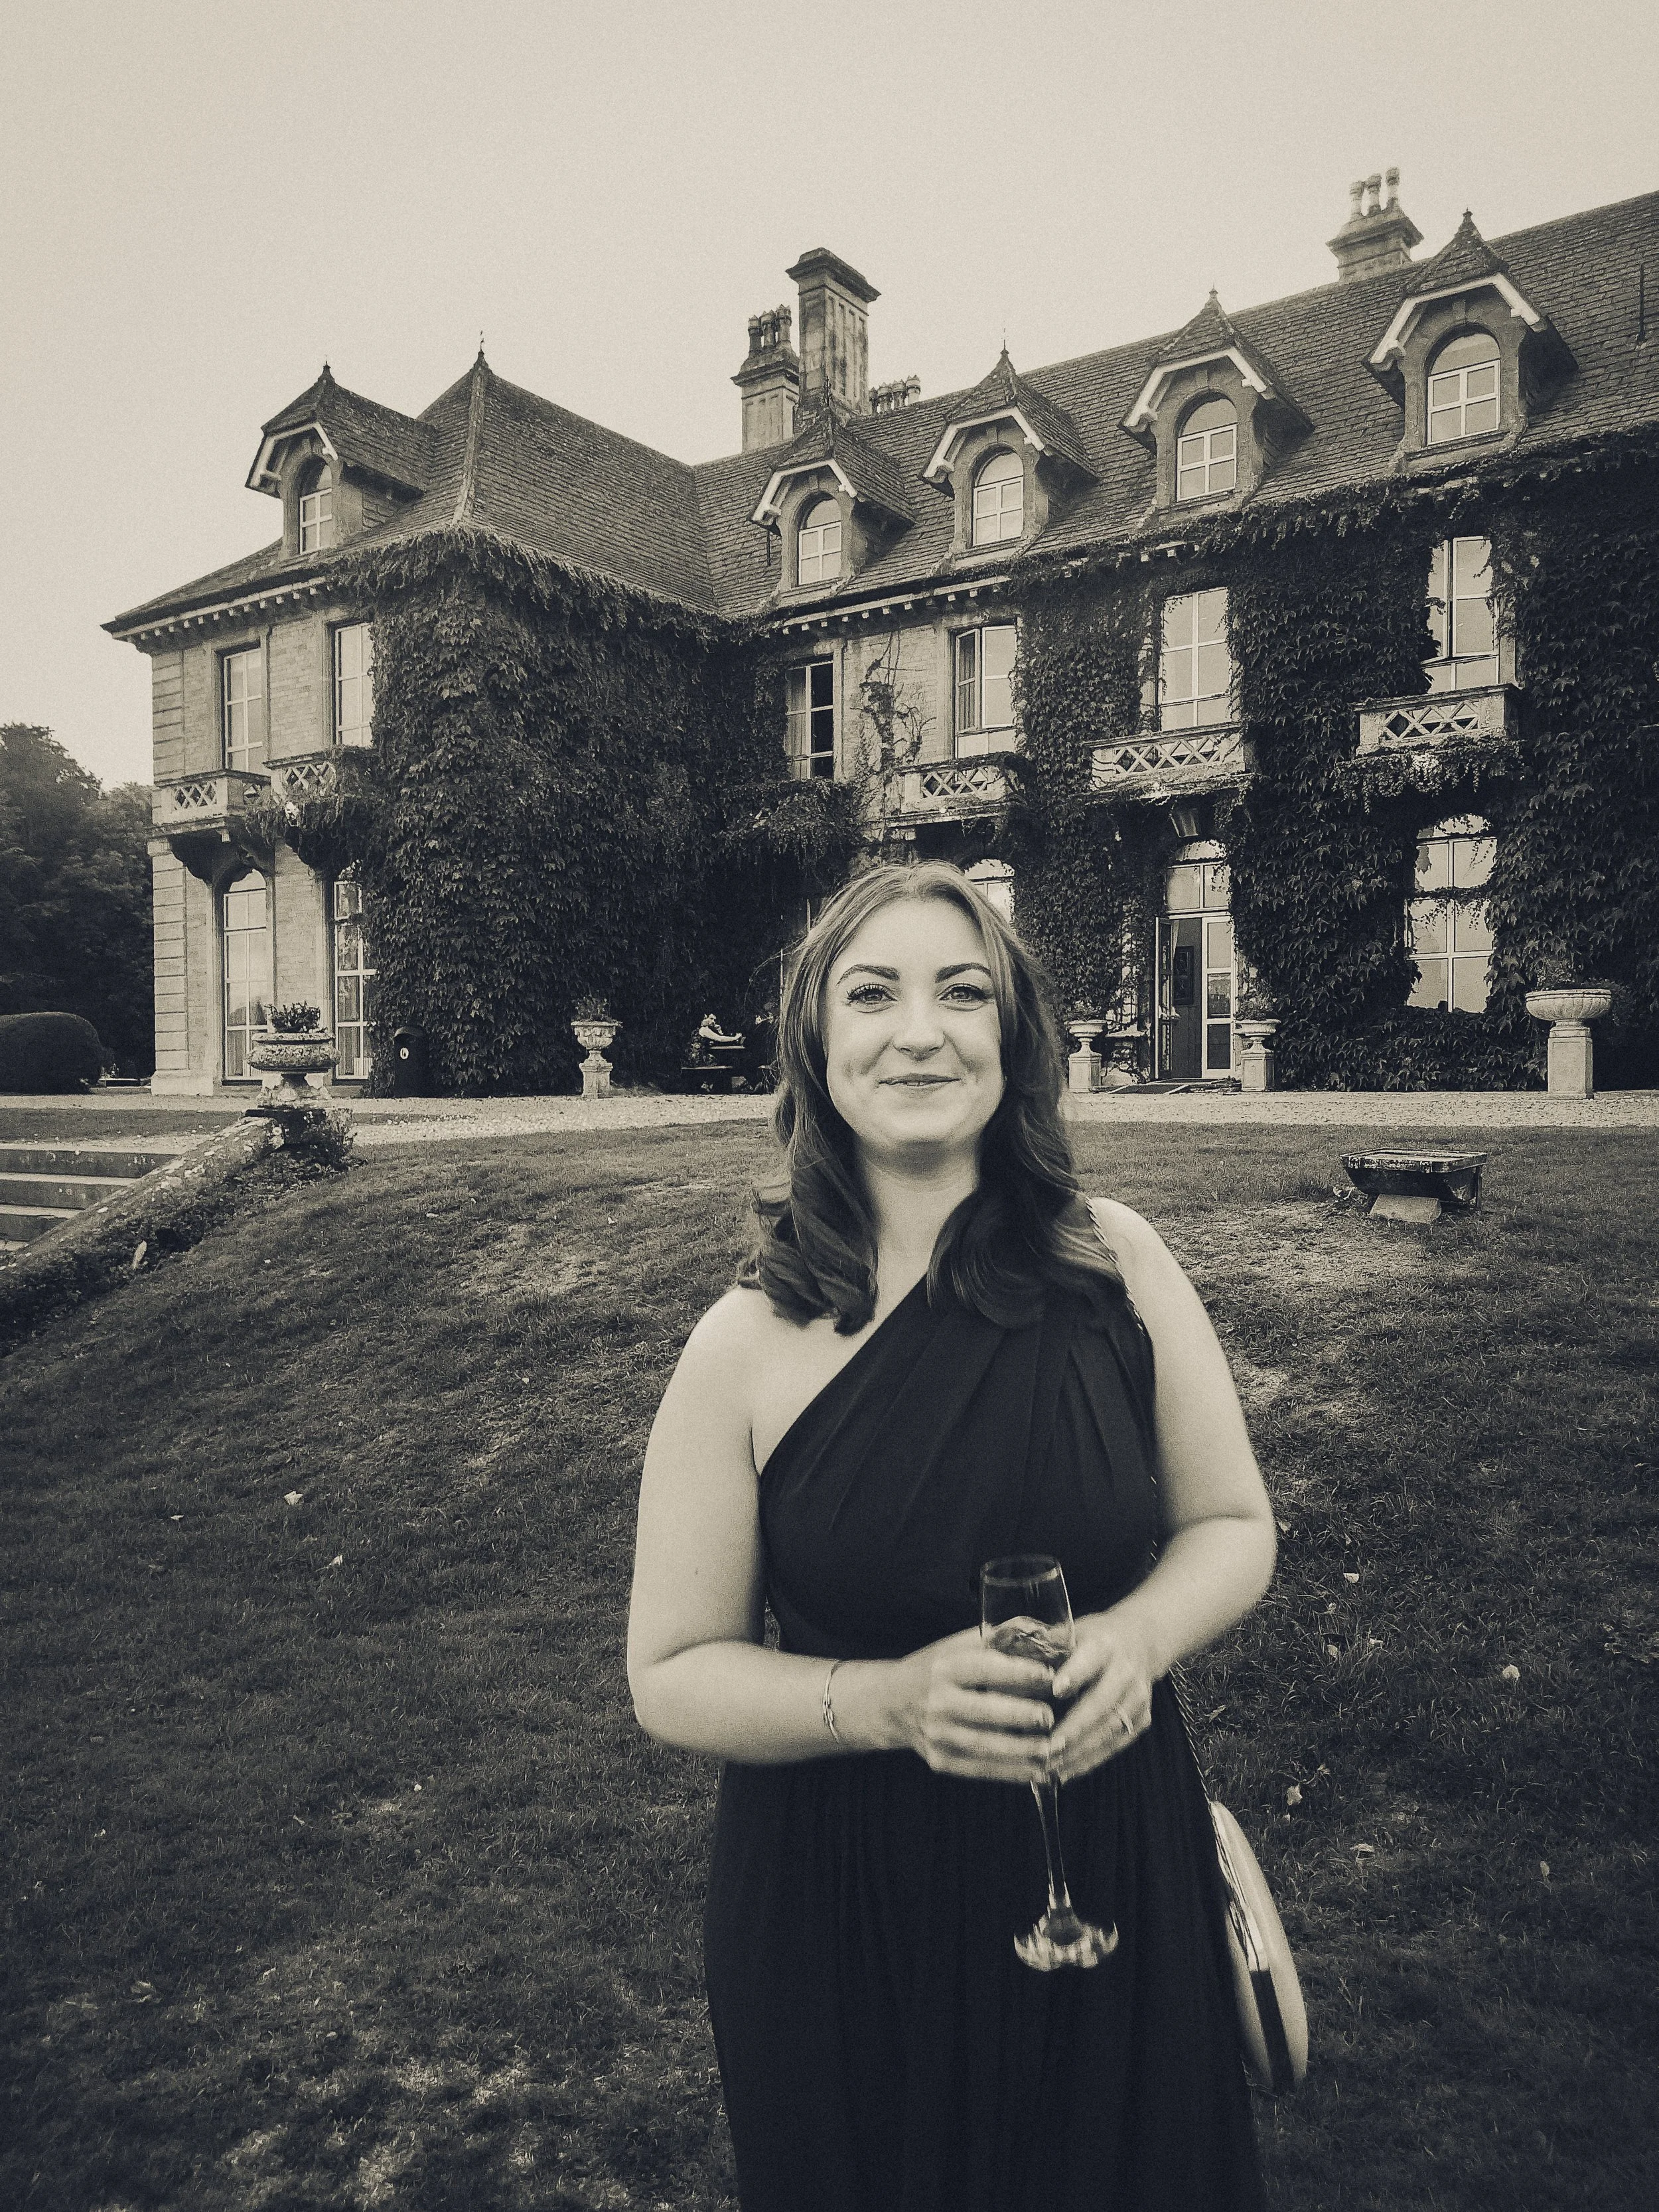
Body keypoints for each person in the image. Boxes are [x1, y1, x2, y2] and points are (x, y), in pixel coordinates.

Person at [627, 861, 1277, 2211]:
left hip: (1112, 1859)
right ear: (815, 1044)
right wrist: (888, 1702)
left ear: (1012, 1035)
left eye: (962, 993)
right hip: (847, 1910)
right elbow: (672, 1672)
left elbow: (1231, 1524)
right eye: (873, 995)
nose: (919, 1032)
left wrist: (1137, 1638)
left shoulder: (1118, 1265)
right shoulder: (741, 1345)